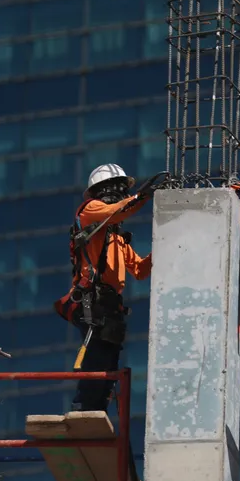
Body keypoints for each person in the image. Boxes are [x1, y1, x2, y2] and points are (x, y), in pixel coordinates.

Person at [54, 164, 154, 412]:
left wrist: (165, 244)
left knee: (108, 365)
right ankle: (81, 412)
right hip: (91, 301)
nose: (118, 194)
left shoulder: (114, 235)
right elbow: (117, 211)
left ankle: (94, 414)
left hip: (109, 307)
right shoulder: (90, 211)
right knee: (95, 361)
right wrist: (142, 196)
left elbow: (140, 270)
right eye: (115, 189)